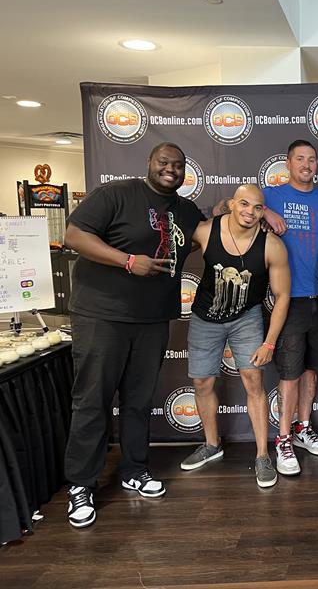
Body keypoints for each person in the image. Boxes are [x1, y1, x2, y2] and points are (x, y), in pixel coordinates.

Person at [62, 142, 205, 528]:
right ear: (149, 163)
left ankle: (134, 469)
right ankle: (81, 484)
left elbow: (207, 233)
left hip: (152, 319)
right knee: (92, 401)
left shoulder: (185, 209)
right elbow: (74, 235)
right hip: (102, 315)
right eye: (164, 162)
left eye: (178, 165)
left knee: (139, 401)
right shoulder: (117, 194)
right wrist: (127, 261)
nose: (171, 169)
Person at [179, 184, 290, 488]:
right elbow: (172, 247)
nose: (249, 212)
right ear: (231, 204)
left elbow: (282, 296)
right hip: (205, 317)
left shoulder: (271, 245)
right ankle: (211, 445)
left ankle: (262, 455)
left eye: (257, 207)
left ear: (263, 212)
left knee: (253, 380)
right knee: (202, 382)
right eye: (243, 204)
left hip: (246, 318)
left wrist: (269, 342)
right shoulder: (206, 231)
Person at [261, 139, 318, 476]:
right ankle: (283, 438)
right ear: (288, 163)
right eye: (300, 159)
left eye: (311, 159)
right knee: (290, 372)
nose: (306, 165)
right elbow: (229, 206)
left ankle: (303, 428)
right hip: (288, 300)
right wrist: (264, 211)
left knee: (311, 369)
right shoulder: (269, 195)